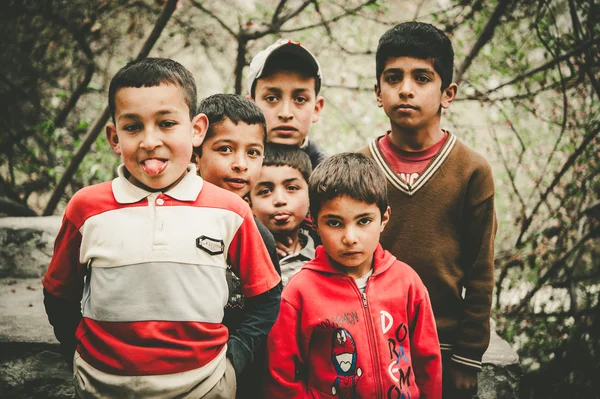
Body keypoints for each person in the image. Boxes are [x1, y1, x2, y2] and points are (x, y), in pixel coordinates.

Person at [42, 58, 280, 398]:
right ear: (114, 137)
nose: (150, 141)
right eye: (133, 127)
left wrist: (233, 361)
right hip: (100, 387)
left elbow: (267, 298)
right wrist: (78, 355)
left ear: (196, 130)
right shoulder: (86, 209)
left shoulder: (230, 211)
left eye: (167, 123)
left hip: (205, 386)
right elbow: (58, 294)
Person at [358, 21, 497, 398]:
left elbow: (480, 272)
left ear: (447, 94)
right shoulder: (359, 167)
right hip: (371, 338)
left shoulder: (471, 171)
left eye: (422, 78)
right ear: (378, 91)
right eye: (393, 78)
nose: (405, 89)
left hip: (444, 345)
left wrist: (469, 355)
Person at [265, 153, 442, 398]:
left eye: (364, 221)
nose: (350, 237)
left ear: (384, 219)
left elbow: (428, 361)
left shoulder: (407, 282)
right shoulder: (300, 292)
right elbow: (282, 375)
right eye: (335, 223)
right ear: (315, 224)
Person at [193, 93, 282, 399]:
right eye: (225, 149)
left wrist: (234, 359)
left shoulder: (259, 236)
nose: (241, 164)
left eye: (253, 153)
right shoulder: (176, 222)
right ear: (196, 154)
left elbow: (266, 308)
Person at [247, 38, 327, 169]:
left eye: (300, 99)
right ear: (251, 107)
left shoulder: (332, 182)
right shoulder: (229, 177)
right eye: (272, 98)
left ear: (316, 108)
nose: (285, 113)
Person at [250, 143, 314, 286]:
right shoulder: (244, 260)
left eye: (291, 188)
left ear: (310, 196)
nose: (280, 200)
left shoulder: (327, 256)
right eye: (265, 191)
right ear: (249, 204)